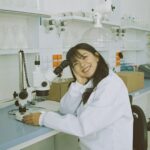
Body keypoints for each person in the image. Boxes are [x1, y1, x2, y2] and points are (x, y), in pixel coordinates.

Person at [23, 43, 133, 150]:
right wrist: (78, 84)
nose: (82, 64)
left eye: (84, 57)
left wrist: (43, 118)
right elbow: (65, 110)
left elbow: (82, 126)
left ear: (97, 56)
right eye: (75, 63)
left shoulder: (110, 86)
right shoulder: (93, 82)